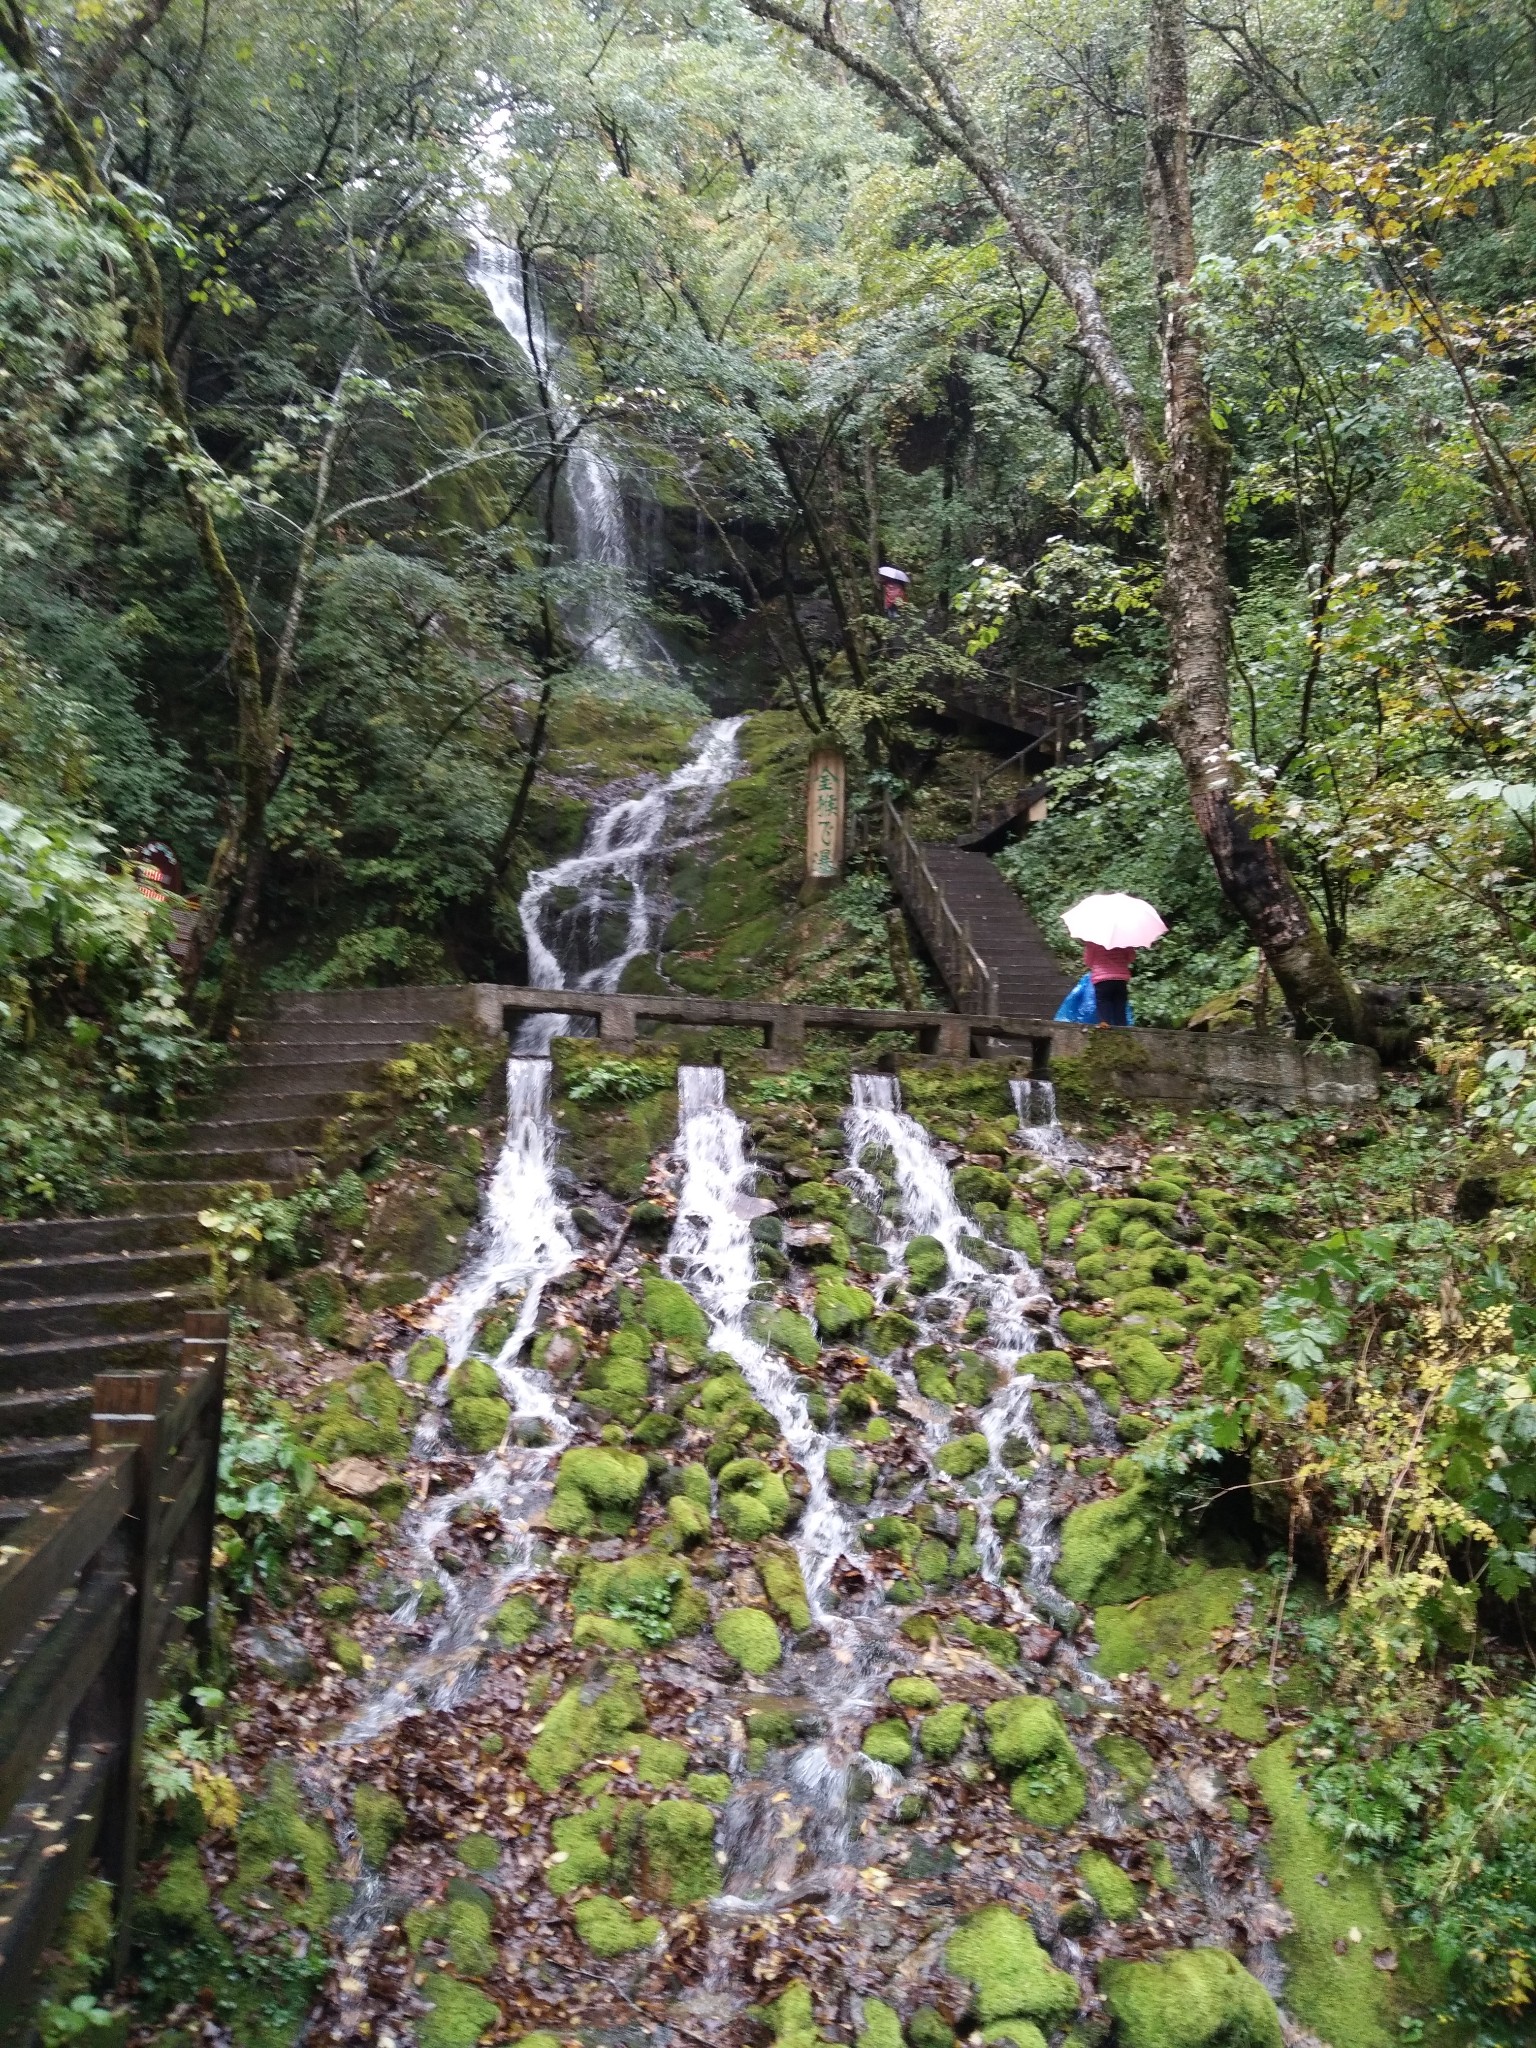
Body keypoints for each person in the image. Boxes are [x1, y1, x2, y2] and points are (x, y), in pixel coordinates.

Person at [1082, 938, 1135, 1027]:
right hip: (1120, 979)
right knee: (1120, 1004)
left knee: (1103, 1001)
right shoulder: (1124, 939)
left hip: (1102, 979)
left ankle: (1105, 1024)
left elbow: (1088, 961)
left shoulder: (1094, 940)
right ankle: (1122, 1029)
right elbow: (1131, 958)